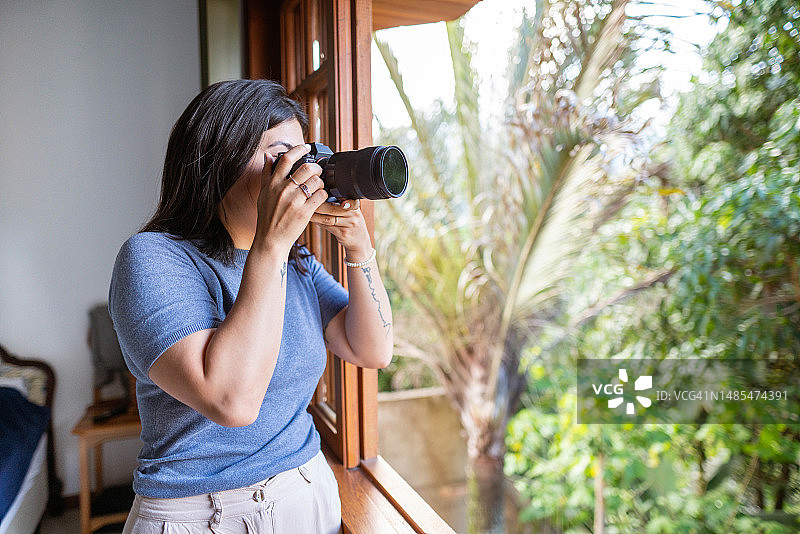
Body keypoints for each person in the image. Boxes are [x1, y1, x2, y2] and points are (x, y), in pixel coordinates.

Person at [109, 79, 393, 534]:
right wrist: (272, 245)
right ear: (217, 157)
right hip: (201, 516)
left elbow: (371, 351)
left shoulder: (296, 263)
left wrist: (361, 249)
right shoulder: (152, 258)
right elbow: (232, 401)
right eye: (282, 156)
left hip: (307, 495)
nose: (303, 173)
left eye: (306, 155)